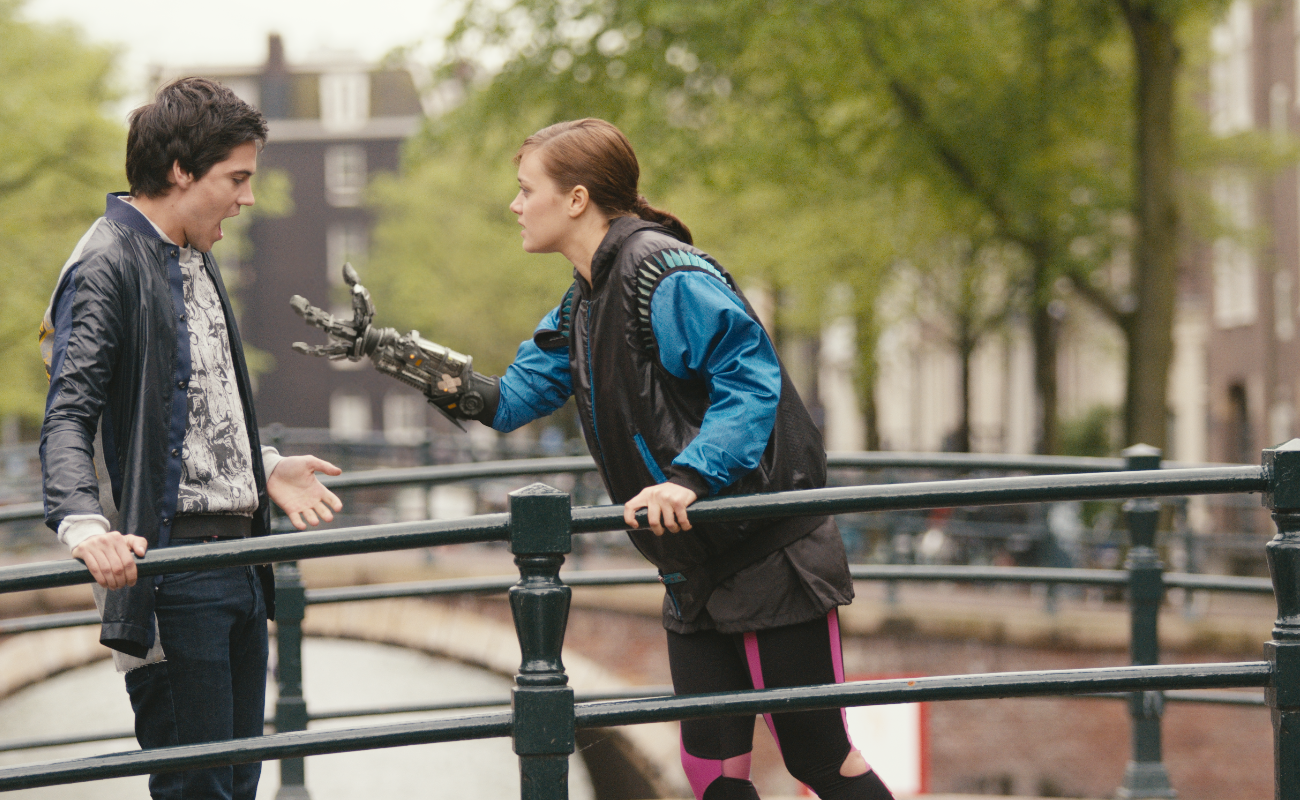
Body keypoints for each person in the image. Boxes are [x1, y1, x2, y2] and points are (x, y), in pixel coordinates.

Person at [293, 118, 890, 800]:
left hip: (769, 554)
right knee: (713, 778)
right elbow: (510, 400)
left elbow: (752, 381)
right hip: (693, 565)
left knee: (819, 759)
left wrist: (690, 479)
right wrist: (393, 354)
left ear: (576, 199)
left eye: (527, 190)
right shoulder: (585, 297)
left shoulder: (667, 276)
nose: (515, 205)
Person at [40, 77, 344, 800]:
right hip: (172, 570)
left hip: (237, 560)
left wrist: (261, 466)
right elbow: (68, 414)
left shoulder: (195, 255)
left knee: (236, 783)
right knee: (198, 790)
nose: (248, 198)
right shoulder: (106, 264)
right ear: (181, 171)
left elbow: (186, 402)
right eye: (236, 179)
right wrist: (83, 526)